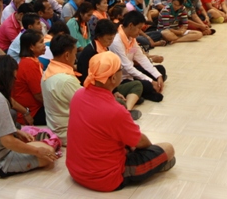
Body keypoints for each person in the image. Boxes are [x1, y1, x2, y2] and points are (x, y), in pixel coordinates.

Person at [66, 51, 175, 192]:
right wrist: (148, 149)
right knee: (167, 148)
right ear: (113, 78)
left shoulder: (78, 94)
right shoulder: (115, 111)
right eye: (120, 69)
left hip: (75, 170)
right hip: (105, 178)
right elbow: (141, 142)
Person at [0, 56, 58, 178]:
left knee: (36, 145)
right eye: (13, 79)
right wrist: (37, 151)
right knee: (47, 153)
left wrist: (15, 131)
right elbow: (7, 141)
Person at [77, 19, 143, 117]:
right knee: (121, 102)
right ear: (99, 36)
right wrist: (110, 93)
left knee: (137, 84)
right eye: (109, 39)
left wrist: (115, 91)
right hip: (97, 93)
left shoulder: (105, 48)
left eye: (112, 39)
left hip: (110, 87)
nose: (111, 42)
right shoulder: (90, 52)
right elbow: (87, 81)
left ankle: (127, 110)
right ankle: (124, 110)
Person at [110, 11, 166, 102]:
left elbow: (141, 58)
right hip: (122, 78)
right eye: (139, 28)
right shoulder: (116, 41)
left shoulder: (131, 38)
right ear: (131, 25)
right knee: (147, 85)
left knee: (160, 70)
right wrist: (151, 81)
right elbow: (128, 67)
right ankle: (143, 91)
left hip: (133, 72)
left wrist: (158, 76)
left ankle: (144, 91)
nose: (140, 32)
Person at [41, 34, 81, 145]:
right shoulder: (66, 80)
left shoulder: (47, 71)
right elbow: (87, 105)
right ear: (67, 55)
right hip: (68, 133)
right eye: (75, 54)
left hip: (54, 128)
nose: (75, 58)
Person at [12, 30, 46, 125]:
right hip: (32, 112)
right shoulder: (29, 65)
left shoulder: (32, 61)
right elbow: (38, 95)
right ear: (31, 47)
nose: (44, 45)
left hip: (35, 107)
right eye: (41, 42)